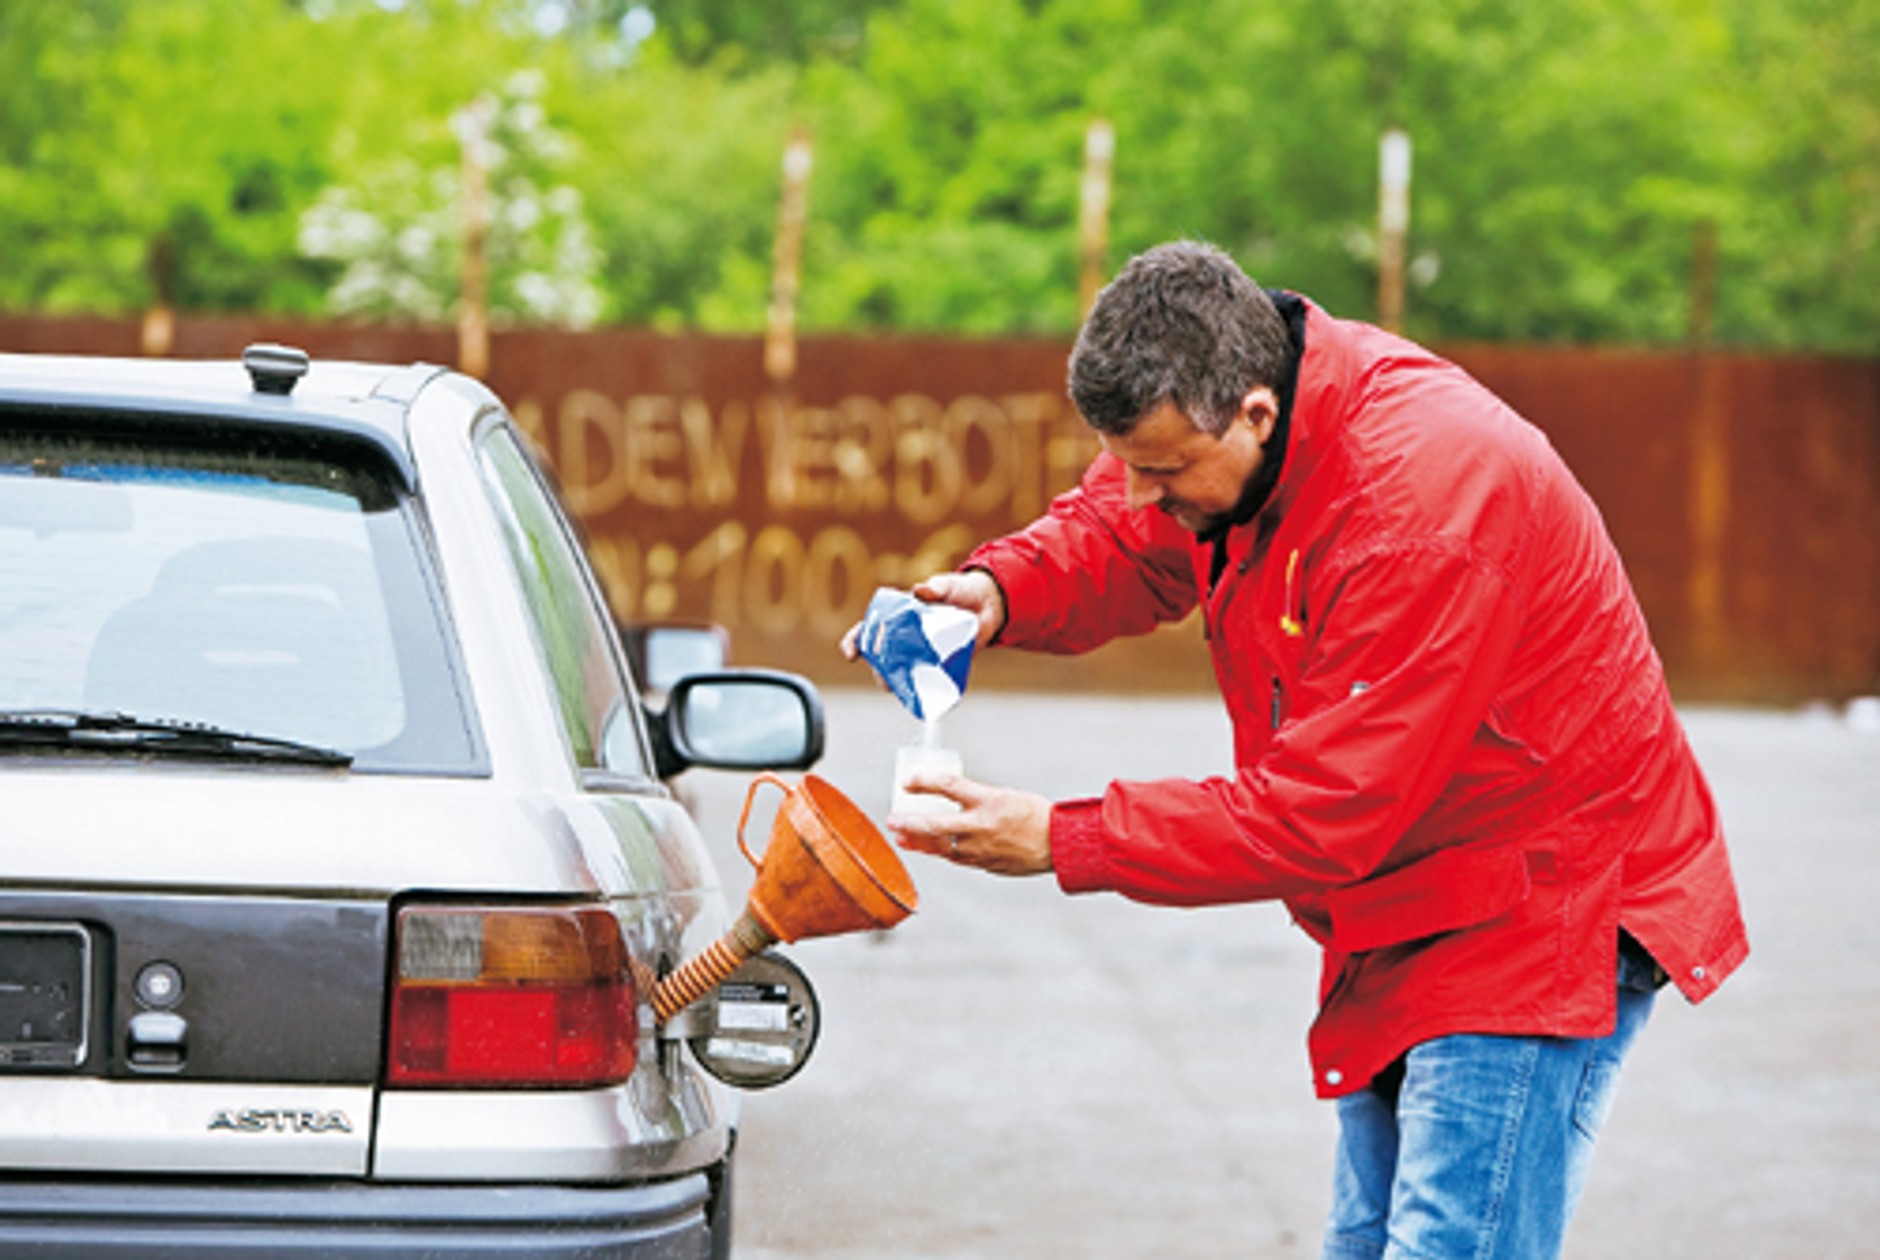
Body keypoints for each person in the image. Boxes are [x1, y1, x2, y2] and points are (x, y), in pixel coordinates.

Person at [841, 240, 1747, 1260]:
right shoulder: (1222, 408)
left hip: (1537, 895)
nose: (1140, 494)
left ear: (1255, 414)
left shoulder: (1417, 507)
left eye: (1161, 470)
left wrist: (1064, 836)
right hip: (1409, 884)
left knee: (1447, 1244)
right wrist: (997, 592)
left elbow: (1324, 808)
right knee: (1365, 1242)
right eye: (1126, 463)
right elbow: (1123, 535)